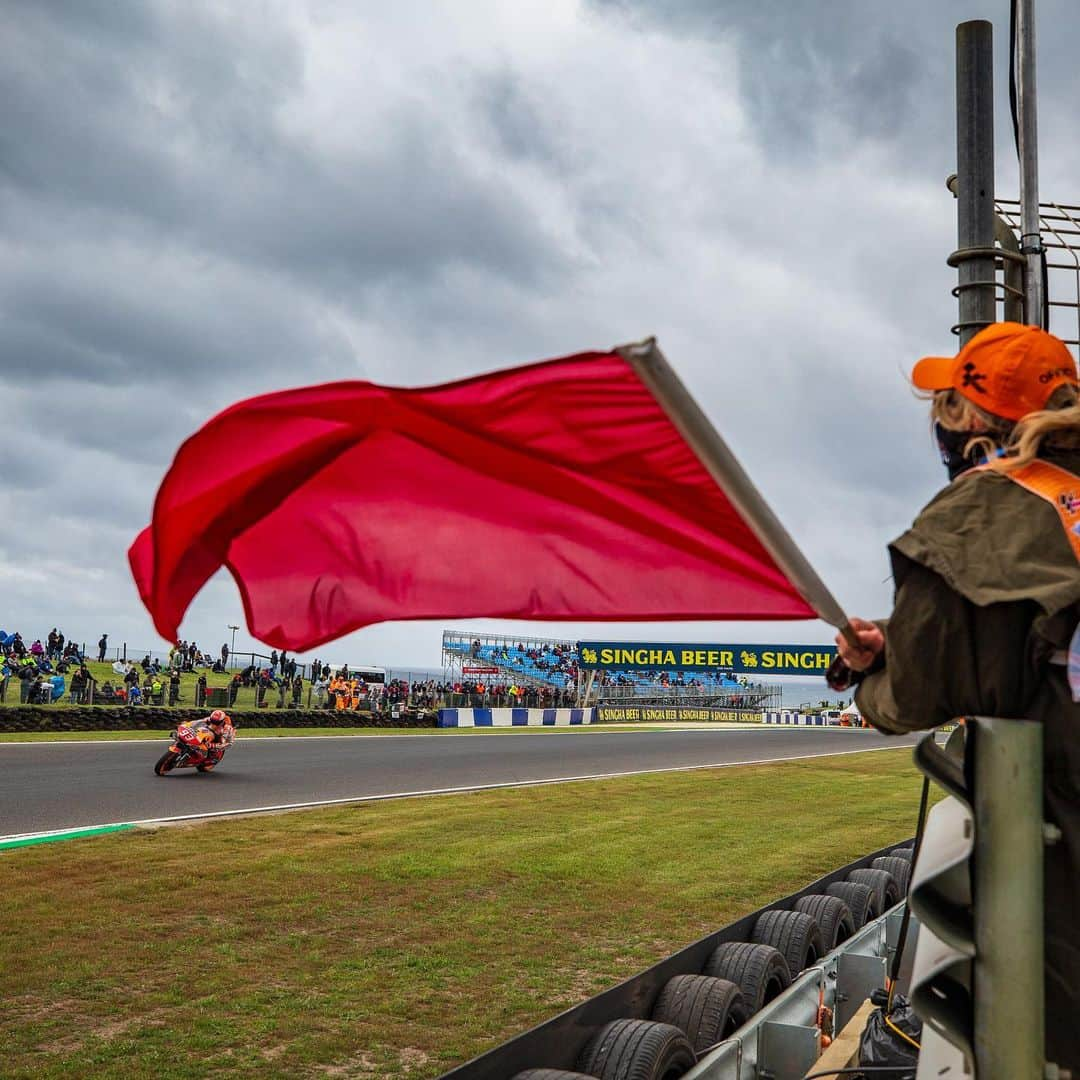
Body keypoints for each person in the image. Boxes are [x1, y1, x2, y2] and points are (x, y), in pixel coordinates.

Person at [833, 322, 1080, 1067]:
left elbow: (908, 697)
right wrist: (897, 634)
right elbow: (1018, 633)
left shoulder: (984, 511)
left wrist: (872, 671)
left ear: (969, 420)